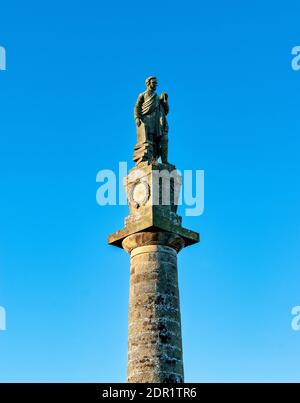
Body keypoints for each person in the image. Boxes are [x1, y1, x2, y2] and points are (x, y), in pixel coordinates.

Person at [134, 76, 169, 163]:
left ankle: (163, 161)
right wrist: (137, 117)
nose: (155, 85)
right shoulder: (142, 95)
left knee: (161, 140)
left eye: (156, 83)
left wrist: (164, 101)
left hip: (157, 122)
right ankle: (150, 160)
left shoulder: (158, 98)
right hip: (147, 120)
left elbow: (166, 111)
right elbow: (137, 107)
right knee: (149, 141)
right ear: (148, 83)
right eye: (154, 83)